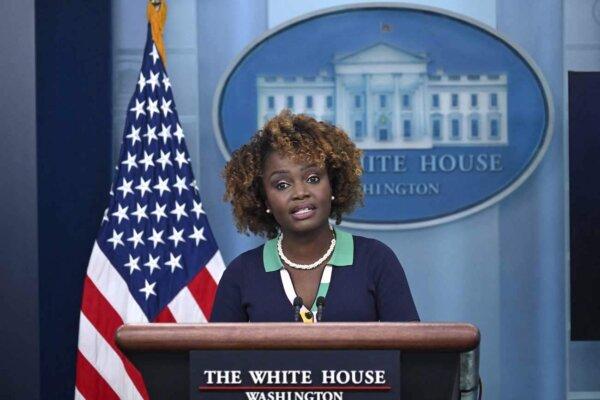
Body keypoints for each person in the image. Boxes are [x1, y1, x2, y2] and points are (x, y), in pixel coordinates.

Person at [210, 110, 419, 322]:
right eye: (282, 184)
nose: (300, 192)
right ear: (264, 201)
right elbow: (216, 355)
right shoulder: (241, 274)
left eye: (312, 178)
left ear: (333, 184)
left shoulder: (375, 260)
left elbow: (414, 352)